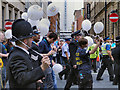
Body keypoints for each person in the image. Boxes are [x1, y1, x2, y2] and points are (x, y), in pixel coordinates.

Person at [7, 19, 50, 88]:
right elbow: (22, 79)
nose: (32, 39)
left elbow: (27, 73)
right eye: (31, 38)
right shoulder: (17, 55)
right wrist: (42, 68)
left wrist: (36, 80)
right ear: (25, 41)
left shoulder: (22, 53)